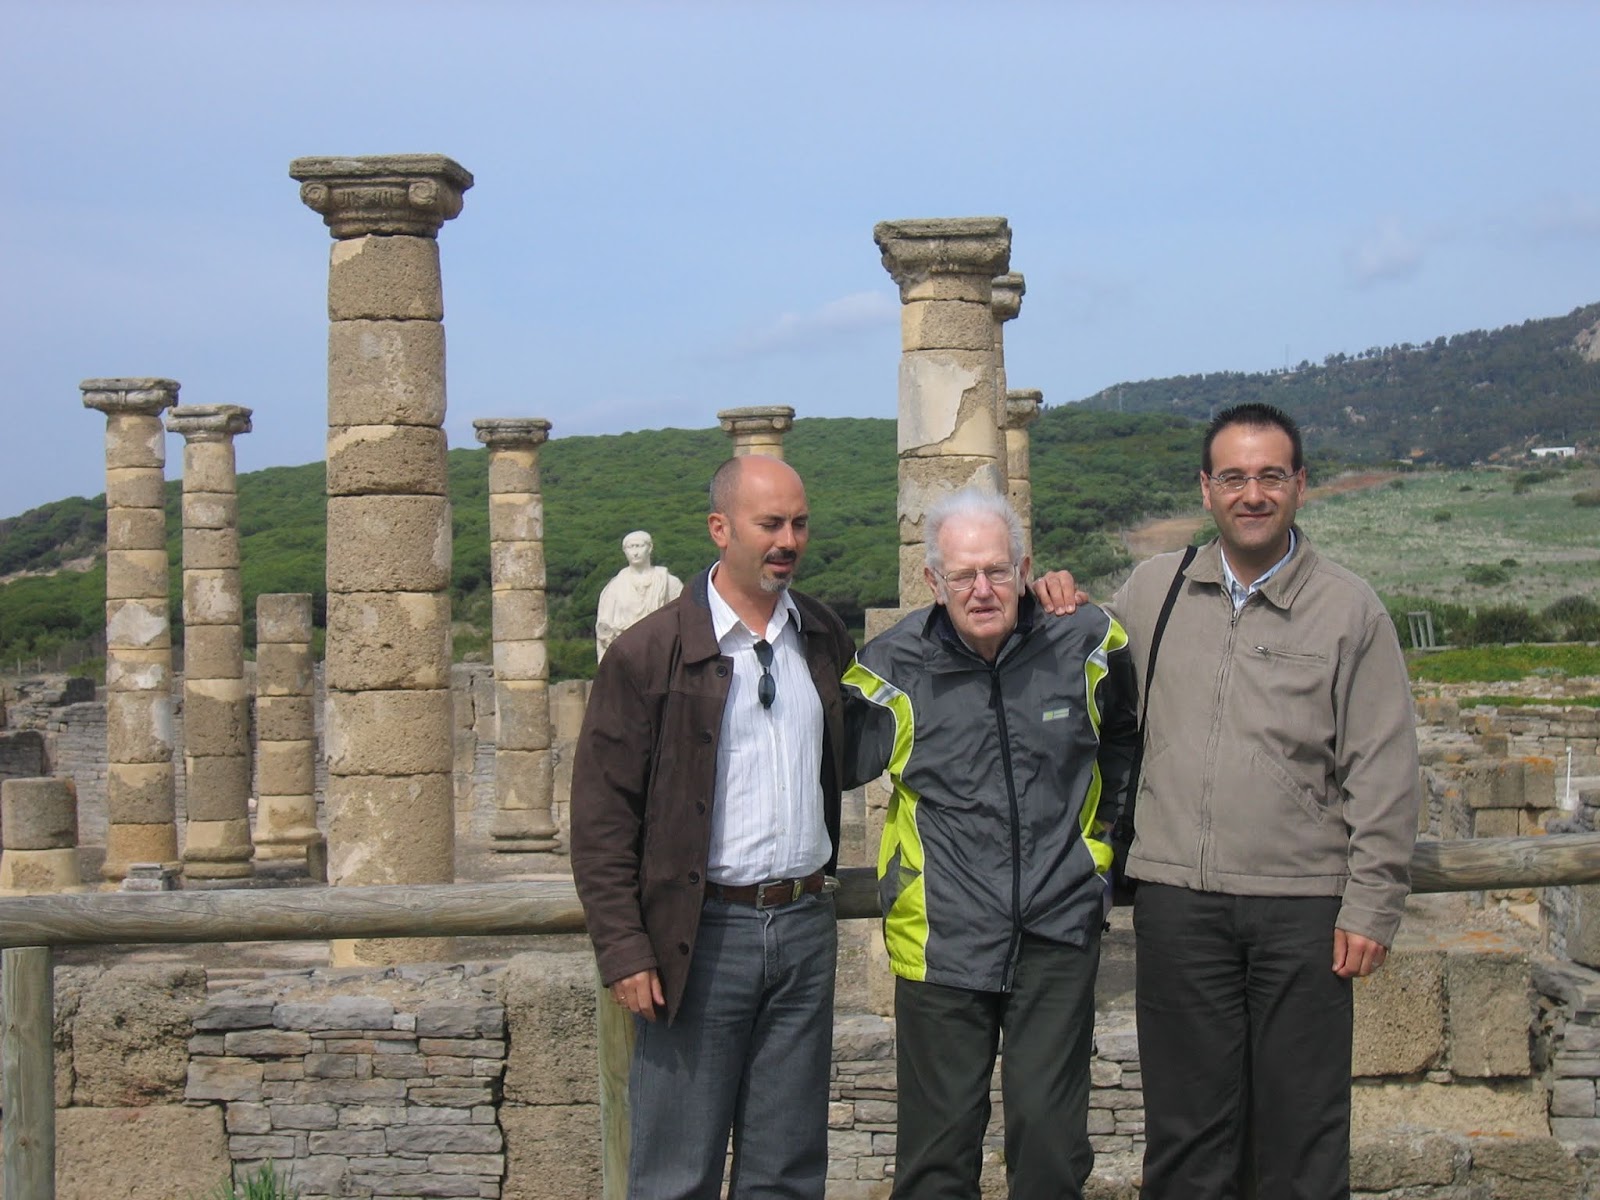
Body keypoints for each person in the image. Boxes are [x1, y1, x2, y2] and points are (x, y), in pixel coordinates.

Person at [1106, 403, 1421, 1199]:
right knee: (1185, 1139)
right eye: (1235, 477)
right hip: (1178, 900)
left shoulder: (1350, 610)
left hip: (1303, 909)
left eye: (1271, 476)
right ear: (1206, 489)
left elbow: (1383, 767)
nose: (1253, 494)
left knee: (1302, 1138)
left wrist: (1372, 903)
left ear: (1300, 487)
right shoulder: (1153, 591)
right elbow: (1089, 688)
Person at [570, 455, 855, 1199]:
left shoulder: (821, 636)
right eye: (771, 524)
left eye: (798, 522)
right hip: (697, 939)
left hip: (804, 926)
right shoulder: (646, 653)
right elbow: (602, 817)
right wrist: (626, 949)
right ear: (719, 528)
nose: (788, 539)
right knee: (674, 1173)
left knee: (789, 1172)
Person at [842, 487, 1139, 1200]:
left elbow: (1124, 743)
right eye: (963, 574)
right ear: (933, 582)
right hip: (940, 938)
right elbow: (823, 764)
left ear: (1026, 567)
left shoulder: (1087, 640)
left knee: (1049, 1149)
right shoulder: (890, 667)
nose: (982, 589)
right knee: (937, 1159)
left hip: (1055, 933)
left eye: (997, 570)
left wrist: (1101, 856)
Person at [594, 530, 683, 661]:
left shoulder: (670, 583)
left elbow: (683, 619)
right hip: (626, 655)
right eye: (630, 547)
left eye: (639, 546)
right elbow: (604, 628)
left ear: (650, 547)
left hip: (660, 654)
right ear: (624, 550)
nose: (635, 552)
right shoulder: (614, 588)